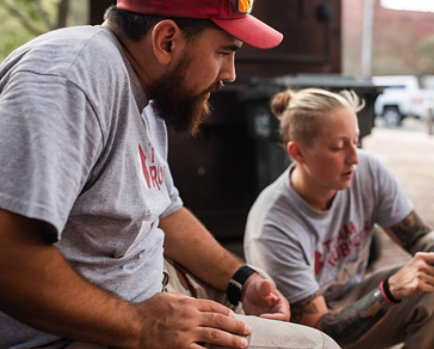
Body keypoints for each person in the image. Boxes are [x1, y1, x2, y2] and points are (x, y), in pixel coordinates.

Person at [0, 1, 340, 348]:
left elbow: (165, 212)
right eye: (224, 52)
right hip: (78, 333)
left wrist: (241, 278)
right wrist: (142, 326)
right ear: (166, 41)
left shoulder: (147, 88)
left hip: (148, 302)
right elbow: (7, 258)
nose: (230, 73)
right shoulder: (71, 79)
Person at [243, 88, 434, 349]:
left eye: (355, 141)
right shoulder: (272, 225)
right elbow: (318, 331)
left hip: (349, 299)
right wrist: (389, 292)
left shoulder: (367, 171)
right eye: (339, 147)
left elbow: (418, 235)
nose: (354, 158)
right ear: (298, 153)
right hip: (300, 337)